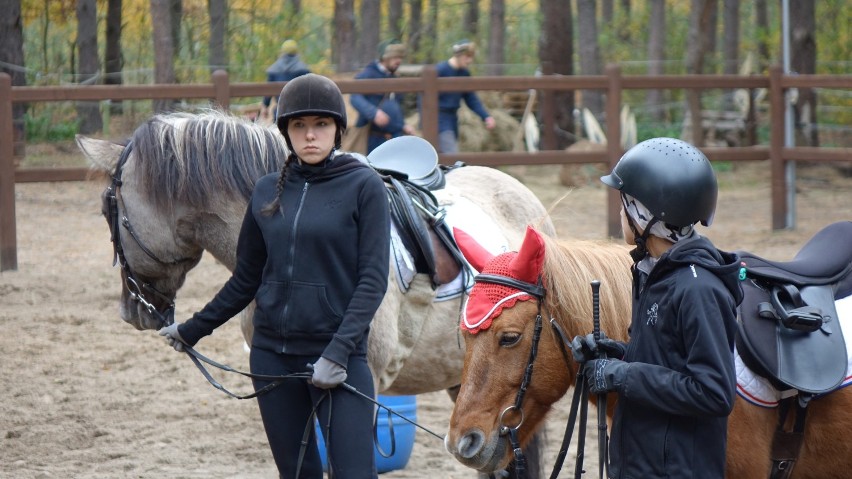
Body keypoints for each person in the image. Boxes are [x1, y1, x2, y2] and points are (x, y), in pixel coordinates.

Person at [159, 73, 390, 478]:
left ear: (337, 129)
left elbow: (373, 281)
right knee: (297, 474)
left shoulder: (364, 186)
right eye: (299, 126)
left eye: (320, 124)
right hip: (272, 358)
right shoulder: (267, 190)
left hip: (338, 359)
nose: (310, 136)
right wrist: (194, 328)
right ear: (287, 132)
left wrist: (336, 354)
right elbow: (247, 278)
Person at [570, 137, 743, 478]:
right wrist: (616, 353)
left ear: (644, 215)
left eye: (624, 206)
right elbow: (667, 359)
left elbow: (713, 392)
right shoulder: (654, 272)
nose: (620, 214)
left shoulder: (697, 289)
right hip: (642, 462)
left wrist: (624, 375)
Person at [350, 39, 414, 154]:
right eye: (395, 57)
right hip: (374, 139)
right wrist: (374, 113)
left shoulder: (394, 77)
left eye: (400, 57)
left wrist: (403, 124)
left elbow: (396, 105)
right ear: (385, 57)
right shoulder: (368, 74)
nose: (399, 61)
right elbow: (355, 97)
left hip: (394, 137)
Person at [434, 39, 495, 153]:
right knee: (451, 154)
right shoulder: (440, 70)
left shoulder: (464, 73)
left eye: (471, 57)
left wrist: (486, 116)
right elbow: (424, 98)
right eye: (467, 56)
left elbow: (471, 98)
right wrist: (425, 122)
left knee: (445, 158)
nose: (470, 60)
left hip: (452, 118)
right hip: (438, 117)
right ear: (459, 55)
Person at [262, 39, 310, 116]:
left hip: (280, 110)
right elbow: (310, 89)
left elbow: (269, 90)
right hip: (300, 110)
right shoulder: (303, 69)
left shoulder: (274, 70)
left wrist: (265, 106)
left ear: (282, 52)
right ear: (296, 52)